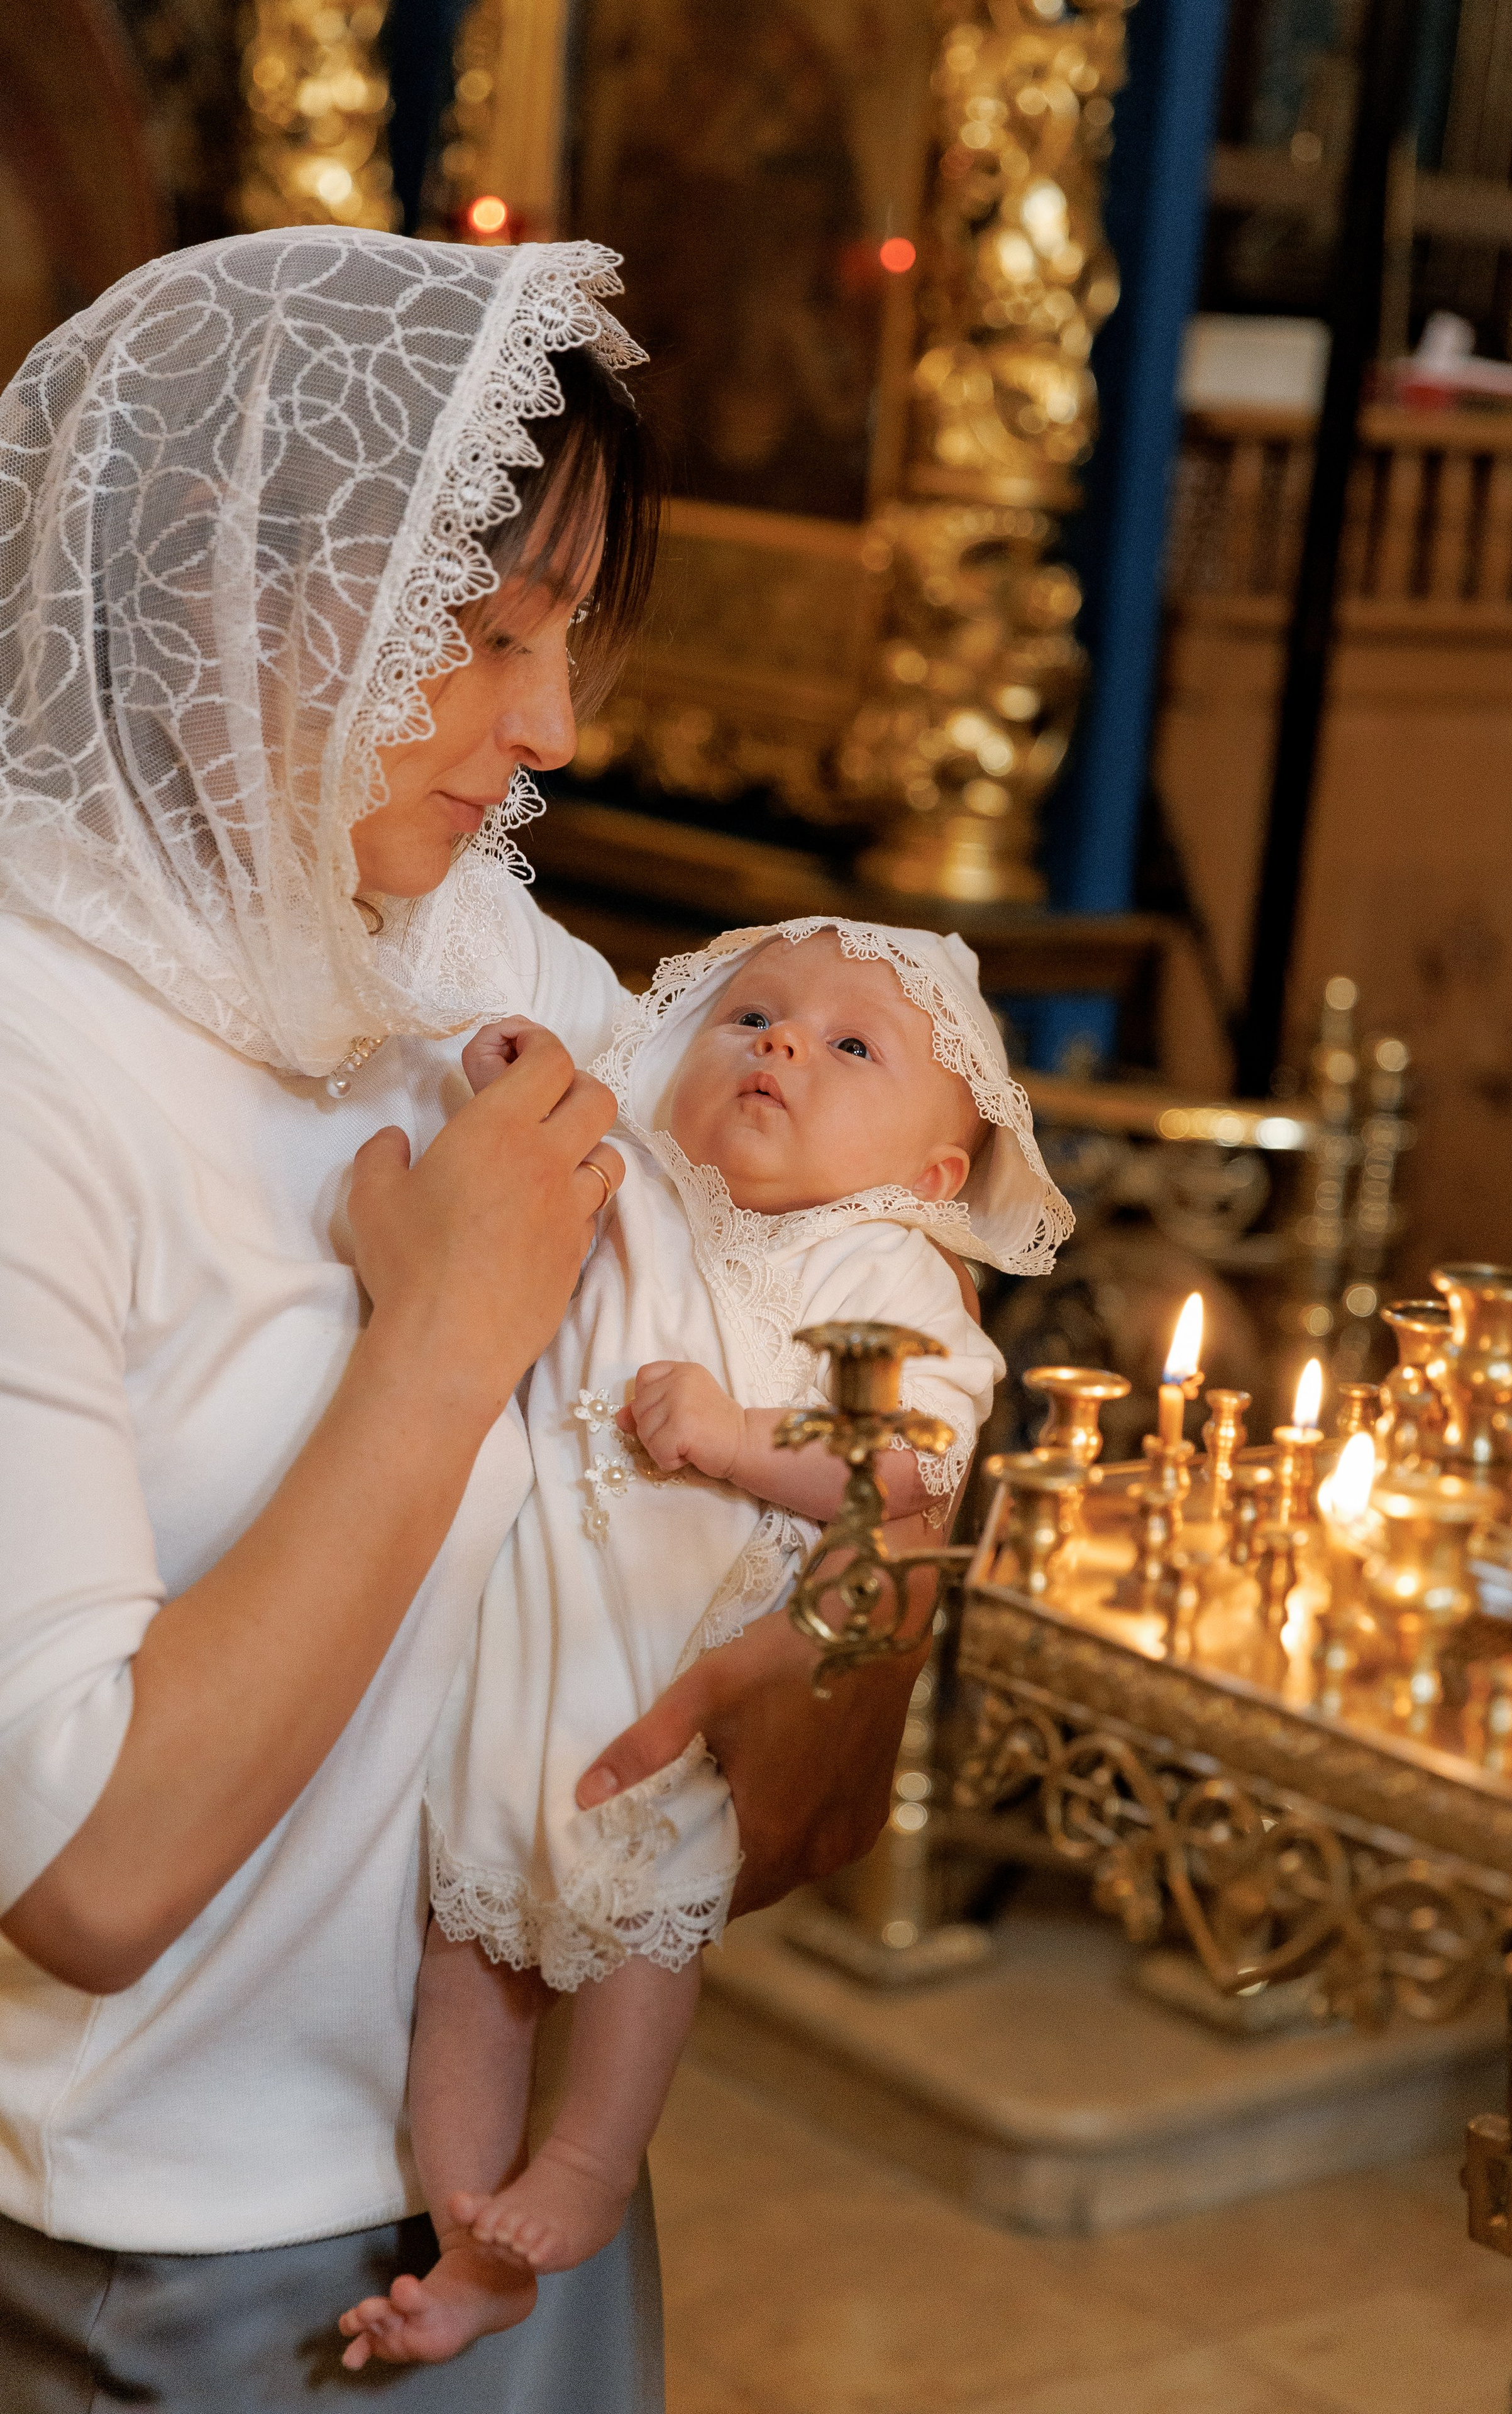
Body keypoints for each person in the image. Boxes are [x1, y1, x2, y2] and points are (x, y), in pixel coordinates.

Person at [0, 228, 937, 2411]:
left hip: (510, 2181)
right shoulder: (32, 1058)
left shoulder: (459, 953)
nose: (554, 727)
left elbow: (797, 1781)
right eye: (484, 633)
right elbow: (91, 1869)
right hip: (158, 2248)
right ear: (229, 588)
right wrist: (445, 1343)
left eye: (567, 639)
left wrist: (880, 1570)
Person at [338, 918, 1069, 2368]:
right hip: (520, 1657)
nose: (780, 1043)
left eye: (850, 1045)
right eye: (751, 1016)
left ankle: (591, 2165)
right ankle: (467, 2229)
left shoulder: (881, 1270)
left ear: (935, 1174)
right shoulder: (648, 1191)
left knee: (638, 1942)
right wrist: (514, 1084)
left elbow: (912, 1460)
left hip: (677, 1673)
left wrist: (740, 1442)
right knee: (465, 1954)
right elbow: (536, 1179)